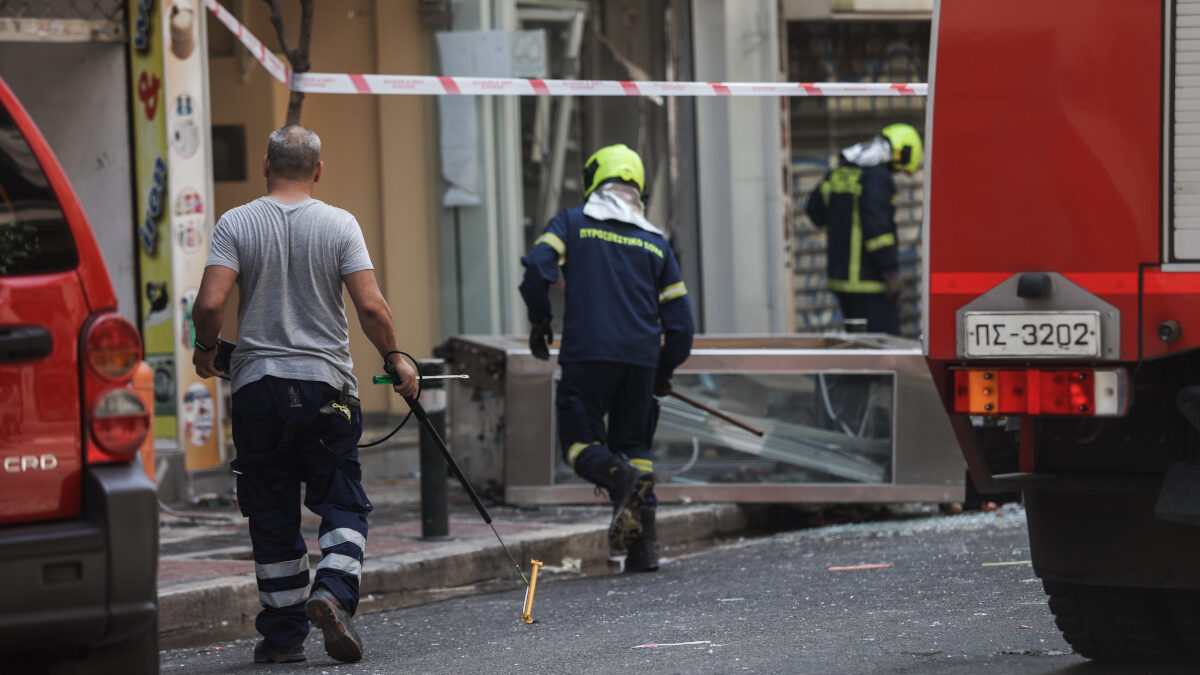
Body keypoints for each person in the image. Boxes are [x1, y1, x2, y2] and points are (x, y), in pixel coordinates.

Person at [191, 125, 418, 665]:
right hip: (326, 390)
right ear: (318, 170)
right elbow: (370, 308)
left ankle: (283, 637)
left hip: (257, 390)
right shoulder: (340, 224)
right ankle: (333, 594)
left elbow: (208, 305)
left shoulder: (237, 222)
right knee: (341, 500)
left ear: (265, 162)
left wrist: (205, 348)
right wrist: (396, 357)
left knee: (271, 511)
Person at [519, 143, 694, 573]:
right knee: (635, 447)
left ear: (594, 179)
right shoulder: (656, 242)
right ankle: (644, 546)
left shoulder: (573, 223)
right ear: (639, 186)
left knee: (579, 444)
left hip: (588, 354)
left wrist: (541, 321)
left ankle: (621, 482)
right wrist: (662, 371)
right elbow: (682, 327)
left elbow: (538, 266)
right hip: (640, 359)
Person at [805, 123, 923, 335]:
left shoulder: (840, 170)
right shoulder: (877, 177)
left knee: (857, 350)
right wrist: (890, 271)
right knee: (882, 353)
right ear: (901, 151)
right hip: (870, 284)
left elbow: (814, 211)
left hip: (841, 282)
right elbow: (878, 230)